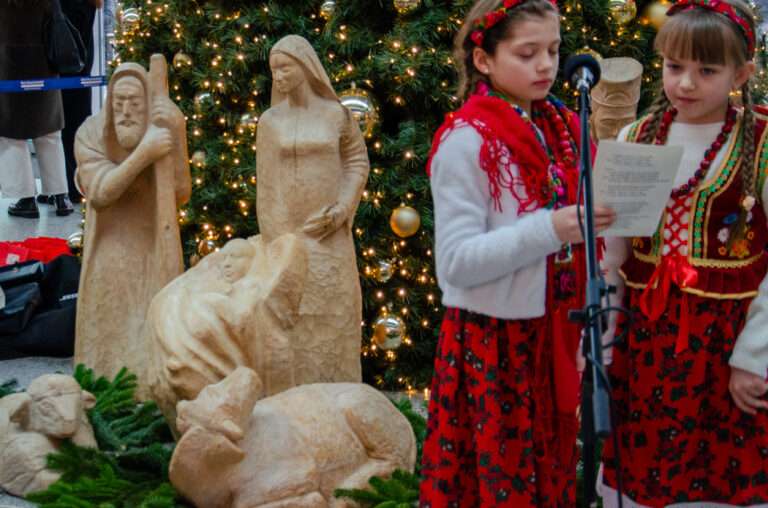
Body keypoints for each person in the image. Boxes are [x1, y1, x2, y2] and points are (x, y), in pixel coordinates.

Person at [418, 0, 616, 506]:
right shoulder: (467, 141)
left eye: (552, 50)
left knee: (548, 473)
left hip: (554, 333)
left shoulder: (565, 129)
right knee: (497, 485)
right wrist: (549, 229)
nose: (547, 66)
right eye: (527, 53)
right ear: (483, 59)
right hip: (495, 345)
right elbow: (456, 263)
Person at [599, 0, 768, 505]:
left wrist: (754, 356)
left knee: (722, 479)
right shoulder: (639, 137)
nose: (686, 84)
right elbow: (614, 251)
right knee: (645, 473)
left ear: (742, 73)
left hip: (728, 341)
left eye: (706, 70)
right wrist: (605, 338)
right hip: (647, 338)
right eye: (675, 67)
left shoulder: (759, 141)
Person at [256, 35, 370, 385]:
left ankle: (339, 392)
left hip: (330, 234)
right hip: (288, 236)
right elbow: (265, 182)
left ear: (305, 67)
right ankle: (296, 399)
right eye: (274, 70)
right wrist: (277, 237)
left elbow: (356, 161)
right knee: (293, 316)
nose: (279, 76)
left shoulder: (336, 115)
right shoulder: (270, 122)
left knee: (335, 314)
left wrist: (343, 207)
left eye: (285, 67)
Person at [73, 59, 190, 385]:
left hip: (155, 249)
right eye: (118, 102)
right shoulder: (90, 134)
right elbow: (100, 191)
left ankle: (150, 389)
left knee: (149, 330)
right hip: (109, 252)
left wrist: (177, 134)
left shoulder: (161, 130)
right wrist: (145, 154)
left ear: (147, 106)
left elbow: (180, 193)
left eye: (135, 103)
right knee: (108, 337)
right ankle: (104, 389)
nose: (125, 111)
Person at [0, 0, 73, 217]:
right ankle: (61, 196)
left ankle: (25, 198)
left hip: (7, 63)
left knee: (12, 134)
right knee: (50, 133)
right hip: (44, 63)